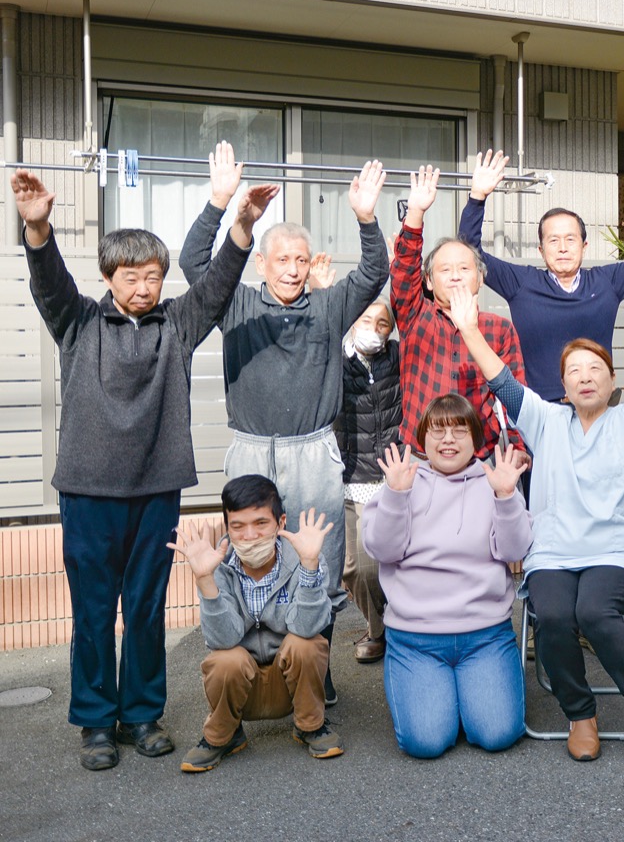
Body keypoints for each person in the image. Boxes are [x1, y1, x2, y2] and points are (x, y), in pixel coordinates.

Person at [10, 145, 266, 771]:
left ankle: (144, 713)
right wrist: (38, 228)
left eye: (154, 275)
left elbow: (215, 287)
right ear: (109, 279)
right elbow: (50, 283)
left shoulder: (176, 326)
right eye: (132, 276)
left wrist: (240, 228)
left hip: (156, 489)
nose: (145, 286)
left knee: (148, 609)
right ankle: (97, 723)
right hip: (89, 490)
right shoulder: (77, 323)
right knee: (95, 612)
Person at [449, 282, 624, 771]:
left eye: (595, 370)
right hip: (554, 555)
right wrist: (470, 330)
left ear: (610, 381)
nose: (585, 378)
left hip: (614, 556)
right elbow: (501, 380)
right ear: (563, 387)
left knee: (596, 612)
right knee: (555, 614)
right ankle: (580, 716)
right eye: (574, 372)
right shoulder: (544, 421)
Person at [180, 154, 389, 706]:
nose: (293, 270)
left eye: (301, 259)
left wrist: (366, 218)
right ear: (262, 264)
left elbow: (374, 274)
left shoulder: (328, 306)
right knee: (247, 556)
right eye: (282, 260)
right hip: (250, 450)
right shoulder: (236, 303)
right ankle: (252, 668)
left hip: (312, 451)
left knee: (313, 556)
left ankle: (316, 665)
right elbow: (193, 260)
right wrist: (224, 207)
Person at [360, 396, 531, 759]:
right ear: (423, 439)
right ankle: (441, 697)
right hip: (416, 639)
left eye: (459, 429)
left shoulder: (493, 480)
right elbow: (382, 550)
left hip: (485, 635)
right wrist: (395, 495)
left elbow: (515, 551)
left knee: (498, 733)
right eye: (438, 431)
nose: (448, 439)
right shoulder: (404, 480)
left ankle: (462, 697)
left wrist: (505, 495)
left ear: (475, 439)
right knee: (426, 742)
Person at [170, 475, 344, 771]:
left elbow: (307, 627)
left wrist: (310, 566)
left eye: (261, 523)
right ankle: (223, 735)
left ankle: (310, 725)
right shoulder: (219, 567)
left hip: (290, 682)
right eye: (237, 526)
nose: (249, 535)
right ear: (227, 527)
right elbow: (221, 640)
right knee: (225, 659)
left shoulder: (305, 556)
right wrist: (205, 580)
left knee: (307, 643)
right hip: (243, 685)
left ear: (280, 522)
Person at [457, 150, 624, 402]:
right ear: (541, 250)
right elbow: (469, 252)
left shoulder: (606, 282)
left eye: (571, 239)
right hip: (541, 412)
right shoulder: (522, 283)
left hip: (598, 408)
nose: (563, 247)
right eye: (553, 240)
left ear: (584, 246)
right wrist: (477, 197)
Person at [389, 165, 527, 457]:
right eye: (445, 269)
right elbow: (402, 273)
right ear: (428, 280)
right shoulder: (416, 316)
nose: (454, 276)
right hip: (420, 458)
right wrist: (415, 213)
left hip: (481, 459)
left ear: (479, 278)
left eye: (464, 269)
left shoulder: (499, 329)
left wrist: (516, 449)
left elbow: (514, 396)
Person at [332, 299, 401, 663]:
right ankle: (382, 627)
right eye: (366, 319)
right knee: (349, 568)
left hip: (391, 476)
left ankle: (381, 632)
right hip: (348, 475)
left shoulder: (399, 358)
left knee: (372, 565)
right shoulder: (335, 362)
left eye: (383, 323)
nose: (373, 329)